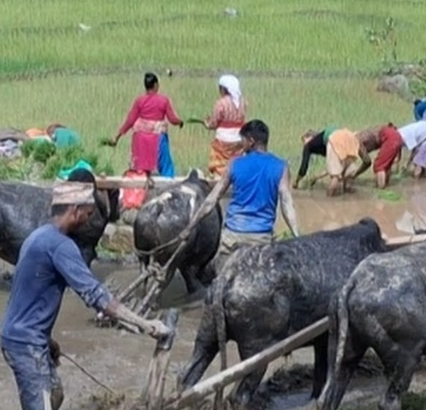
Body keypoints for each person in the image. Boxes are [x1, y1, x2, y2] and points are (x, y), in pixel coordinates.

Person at [0, 173, 170, 410]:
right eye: (89, 213)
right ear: (75, 210)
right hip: (25, 342)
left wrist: (45, 339)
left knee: (55, 394)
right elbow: (98, 298)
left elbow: (26, 297)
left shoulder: (37, 237)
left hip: (21, 335)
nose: (92, 219)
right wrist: (147, 325)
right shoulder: (61, 247)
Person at [183, 119, 299, 265]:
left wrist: (190, 227)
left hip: (233, 237)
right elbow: (287, 202)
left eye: (242, 140)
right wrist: (296, 233)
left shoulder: (235, 164)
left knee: (217, 278)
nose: (241, 145)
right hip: (261, 239)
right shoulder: (281, 166)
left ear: (251, 141)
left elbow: (211, 200)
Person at [110, 72, 183, 176]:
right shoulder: (163, 101)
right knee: (166, 166)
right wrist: (180, 122)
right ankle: (167, 183)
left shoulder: (139, 101)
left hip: (140, 139)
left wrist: (117, 137)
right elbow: (172, 119)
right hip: (157, 138)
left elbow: (130, 121)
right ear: (156, 85)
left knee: (140, 169)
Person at [205, 74, 247, 178]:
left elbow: (214, 123)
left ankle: (220, 179)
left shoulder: (221, 103)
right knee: (236, 160)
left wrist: (207, 124)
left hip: (223, 138)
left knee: (219, 161)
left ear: (224, 89)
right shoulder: (243, 102)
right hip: (239, 137)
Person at [357, 123, 404, 189]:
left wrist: (355, 174)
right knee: (386, 164)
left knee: (379, 165)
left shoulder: (357, 142)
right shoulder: (360, 136)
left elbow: (367, 162)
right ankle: (386, 185)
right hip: (396, 136)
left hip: (389, 137)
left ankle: (381, 188)